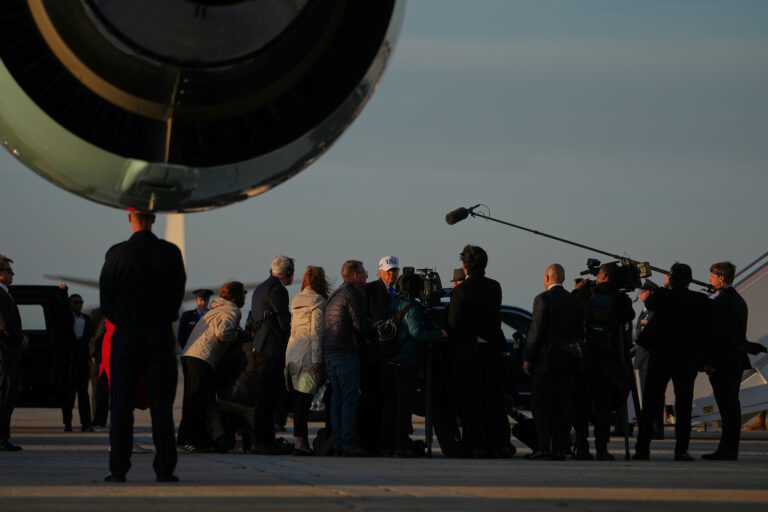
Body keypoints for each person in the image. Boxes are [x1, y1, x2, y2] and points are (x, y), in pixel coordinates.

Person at [99, 210, 186, 482]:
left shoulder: (116, 254)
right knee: (162, 408)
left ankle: (118, 469)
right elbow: (177, 295)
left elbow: (106, 300)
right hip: (159, 335)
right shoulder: (170, 252)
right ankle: (165, 470)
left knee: (121, 407)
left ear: (130, 217)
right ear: (154, 219)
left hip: (126, 337)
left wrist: (124, 321)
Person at [633, 263, 709, 461]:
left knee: (649, 404)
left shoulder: (663, 296)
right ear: (690, 280)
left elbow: (650, 302)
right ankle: (681, 450)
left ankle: (642, 448)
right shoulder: (699, 299)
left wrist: (667, 285)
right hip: (686, 359)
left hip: (661, 357)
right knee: (683, 406)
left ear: (672, 279)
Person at [447, 245, 510, 458]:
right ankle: (496, 443)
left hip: (469, 353)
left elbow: (453, 324)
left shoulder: (461, 291)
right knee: (492, 399)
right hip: (491, 350)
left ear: (464, 267)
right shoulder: (495, 287)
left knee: (471, 401)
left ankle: (475, 445)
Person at [572, 262, 635, 461]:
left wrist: (578, 291)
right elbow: (629, 316)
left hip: (585, 360)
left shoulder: (584, 295)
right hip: (609, 362)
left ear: (604, 275)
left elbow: (574, 313)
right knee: (603, 408)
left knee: (581, 406)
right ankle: (602, 448)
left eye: (599, 273)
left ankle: (582, 447)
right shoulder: (621, 299)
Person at [380, 273, 445, 457]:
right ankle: (401, 445)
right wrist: (440, 334)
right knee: (404, 405)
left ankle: (388, 445)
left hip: (389, 360)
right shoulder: (413, 308)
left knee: (389, 405)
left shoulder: (391, 304)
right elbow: (417, 332)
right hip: (406, 363)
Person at [523, 263, 583, 460]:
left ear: (547, 278)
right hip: (568, 359)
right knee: (563, 404)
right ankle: (559, 446)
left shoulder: (543, 299)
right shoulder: (573, 301)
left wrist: (528, 358)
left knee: (540, 403)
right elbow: (578, 332)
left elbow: (536, 332)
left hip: (546, 361)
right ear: (563, 279)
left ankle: (543, 447)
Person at [178, 282, 247, 453]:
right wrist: (238, 334)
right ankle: (187, 440)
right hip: (202, 357)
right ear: (237, 296)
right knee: (195, 402)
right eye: (243, 294)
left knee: (192, 399)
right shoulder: (232, 311)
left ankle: (196, 440)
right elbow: (222, 333)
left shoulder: (216, 309)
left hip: (190, 355)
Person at [702, 261, 750, 461]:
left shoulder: (723, 301)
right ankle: (729, 448)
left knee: (727, 407)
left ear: (721, 278)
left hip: (724, 362)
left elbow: (717, 335)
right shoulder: (737, 299)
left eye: (712, 276)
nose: (709, 279)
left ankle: (727, 449)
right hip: (735, 360)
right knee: (731, 406)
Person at [323, 260, 370, 457]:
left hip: (330, 352)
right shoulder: (352, 294)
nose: (367, 276)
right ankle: (349, 443)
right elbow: (359, 325)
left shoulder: (336, 294)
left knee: (337, 399)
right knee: (350, 399)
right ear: (356, 276)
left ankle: (339, 442)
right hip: (345, 352)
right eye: (364, 272)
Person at [247, 255, 294, 454]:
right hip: (272, 350)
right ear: (288, 273)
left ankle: (263, 440)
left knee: (263, 398)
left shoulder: (260, 288)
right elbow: (283, 322)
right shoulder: (278, 290)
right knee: (269, 399)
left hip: (259, 348)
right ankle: (264, 441)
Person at [285, 266, 329, 455]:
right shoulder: (318, 302)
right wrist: (318, 359)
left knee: (298, 402)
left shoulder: (296, 299)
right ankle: (300, 443)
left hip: (293, 354)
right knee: (304, 402)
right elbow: (317, 333)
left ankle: (299, 441)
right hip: (308, 357)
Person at [363, 255, 399, 453]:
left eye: (394, 271)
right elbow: (365, 318)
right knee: (374, 398)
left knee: (390, 399)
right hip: (375, 352)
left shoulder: (400, 290)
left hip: (393, 352)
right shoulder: (370, 290)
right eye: (388, 271)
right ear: (380, 272)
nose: (392, 274)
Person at [0, 255, 28, 451]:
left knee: (8, 397)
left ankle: (3, 437)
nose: (13, 274)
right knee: (4, 397)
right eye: (9, 271)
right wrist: (20, 339)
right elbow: (5, 325)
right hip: (4, 355)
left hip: (8, 354)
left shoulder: (5, 293)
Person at [632, 279, 664, 438]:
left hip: (650, 359)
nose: (641, 294)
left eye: (643, 291)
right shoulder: (645, 311)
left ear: (651, 292)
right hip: (641, 359)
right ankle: (648, 427)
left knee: (653, 396)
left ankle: (655, 428)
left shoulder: (654, 311)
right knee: (644, 396)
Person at [62, 293, 94, 432]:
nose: (79, 305)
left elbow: (91, 339)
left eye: (80, 302)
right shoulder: (66, 318)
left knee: (83, 394)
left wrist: (91, 356)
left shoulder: (87, 319)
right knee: (69, 394)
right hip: (70, 361)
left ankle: (86, 424)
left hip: (83, 360)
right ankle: (68, 424)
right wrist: (64, 291)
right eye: (75, 302)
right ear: (69, 304)